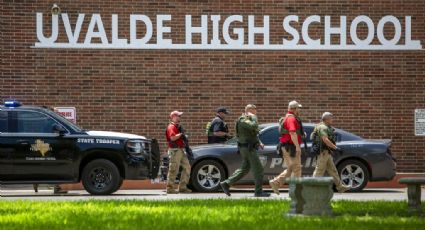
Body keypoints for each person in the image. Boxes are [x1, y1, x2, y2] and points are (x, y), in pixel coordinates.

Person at [220, 104, 270, 197]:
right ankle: (258, 192)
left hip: (248, 147)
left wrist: (259, 142)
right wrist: (254, 117)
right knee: (258, 169)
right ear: (250, 110)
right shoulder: (243, 119)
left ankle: (226, 183)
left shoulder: (247, 119)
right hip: (248, 148)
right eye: (255, 110)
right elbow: (253, 126)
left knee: (245, 168)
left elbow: (253, 133)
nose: (256, 112)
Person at [269, 101, 304, 195]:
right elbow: (292, 132)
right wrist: (297, 147)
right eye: (298, 108)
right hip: (291, 147)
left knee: (291, 168)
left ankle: (276, 182)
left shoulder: (288, 117)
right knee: (297, 168)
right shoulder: (291, 119)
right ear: (294, 109)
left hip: (287, 146)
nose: (299, 110)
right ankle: (296, 191)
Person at [311, 112, 350, 193]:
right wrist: (335, 148)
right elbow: (325, 139)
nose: (332, 120)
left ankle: (340, 187)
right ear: (327, 119)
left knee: (333, 170)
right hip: (323, 152)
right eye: (331, 118)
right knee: (319, 170)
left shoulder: (325, 126)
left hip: (327, 152)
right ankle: (311, 188)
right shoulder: (323, 127)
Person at [165, 110, 192, 194]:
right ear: (173, 117)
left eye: (180, 116)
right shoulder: (171, 127)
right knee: (174, 169)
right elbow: (172, 138)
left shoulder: (177, 126)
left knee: (187, 167)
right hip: (175, 150)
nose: (180, 117)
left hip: (180, 149)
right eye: (178, 116)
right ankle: (170, 189)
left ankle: (182, 187)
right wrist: (181, 134)